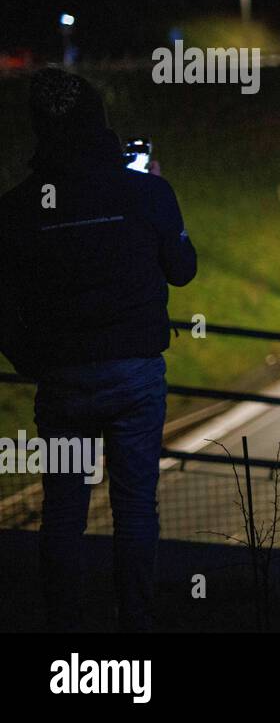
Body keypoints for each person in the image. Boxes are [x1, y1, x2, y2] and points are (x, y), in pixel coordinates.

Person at [0, 67, 197, 631]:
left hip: (61, 380)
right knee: (135, 510)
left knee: (64, 512)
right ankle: (135, 628)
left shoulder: (17, 209)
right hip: (134, 375)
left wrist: (34, 363)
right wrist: (158, 191)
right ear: (100, 125)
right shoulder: (145, 192)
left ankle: (64, 630)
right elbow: (182, 271)